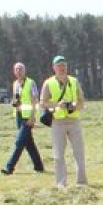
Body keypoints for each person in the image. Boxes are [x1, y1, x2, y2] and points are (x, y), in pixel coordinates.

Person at [40, 55, 87, 188]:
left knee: (79, 152)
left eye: (64, 66)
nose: (62, 68)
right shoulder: (48, 83)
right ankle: (61, 182)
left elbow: (82, 102)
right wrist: (57, 105)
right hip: (58, 122)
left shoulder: (74, 81)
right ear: (54, 68)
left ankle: (81, 182)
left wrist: (74, 106)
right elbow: (42, 103)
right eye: (59, 66)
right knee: (58, 154)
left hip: (74, 120)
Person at [1, 62, 45, 175]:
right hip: (19, 117)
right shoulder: (15, 83)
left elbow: (35, 100)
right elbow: (16, 99)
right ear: (14, 71)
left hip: (28, 117)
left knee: (19, 142)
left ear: (24, 71)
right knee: (29, 144)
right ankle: (39, 166)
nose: (19, 71)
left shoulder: (31, 83)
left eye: (21, 69)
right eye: (17, 69)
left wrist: (32, 117)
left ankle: (9, 167)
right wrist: (14, 103)